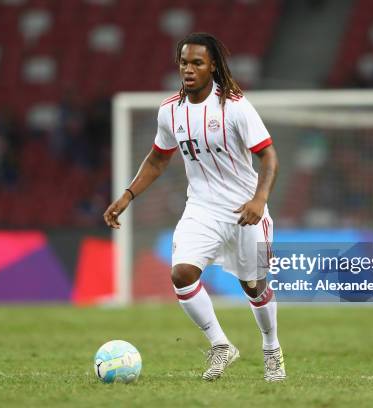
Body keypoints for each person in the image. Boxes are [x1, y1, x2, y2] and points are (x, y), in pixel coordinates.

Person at [103, 33, 285, 382]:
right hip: (201, 208)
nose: (188, 69)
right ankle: (221, 345)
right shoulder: (170, 111)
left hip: (245, 209)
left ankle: (271, 348)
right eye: (184, 62)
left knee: (255, 287)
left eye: (197, 63)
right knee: (182, 275)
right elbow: (158, 160)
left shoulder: (234, 106)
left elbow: (269, 156)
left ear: (212, 66)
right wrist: (126, 196)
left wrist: (260, 200)